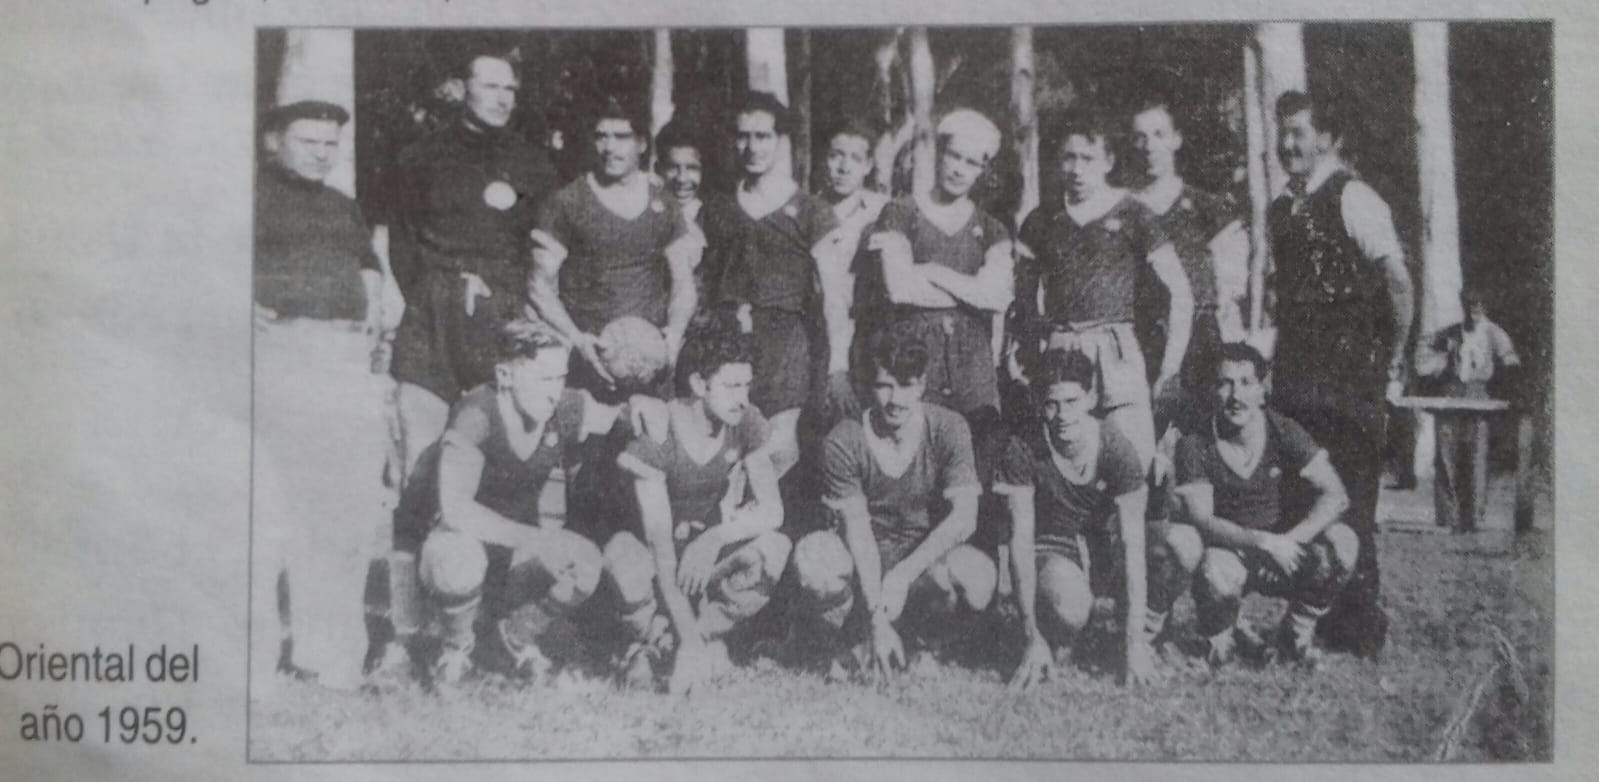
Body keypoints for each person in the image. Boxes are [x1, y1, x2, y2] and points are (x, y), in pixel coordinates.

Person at [1268, 90, 1414, 657]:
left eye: (1299, 133)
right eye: (1282, 132)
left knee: (1352, 502)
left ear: (1328, 139)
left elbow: (1398, 286)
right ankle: (1312, 617)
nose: (1287, 144)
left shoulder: (1355, 197)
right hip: (1296, 382)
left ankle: (1359, 628)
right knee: (1305, 499)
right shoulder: (1282, 207)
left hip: (1351, 383)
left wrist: (1391, 361)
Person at [252, 99, 390, 692]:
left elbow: (367, 263)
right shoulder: (249, 196)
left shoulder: (341, 205)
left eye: (331, 144)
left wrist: (374, 300)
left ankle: (330, 654)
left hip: (343, 358)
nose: (321, 153)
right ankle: (254, 658)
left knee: (344, 509)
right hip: (281, 353)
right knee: (270, 510)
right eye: (308, 141)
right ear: (274, 141)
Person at [389, 320, 607, 684]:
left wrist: (647, 407)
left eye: (560, 378)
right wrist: (538, 539)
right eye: (544, 378)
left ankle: (513, 638)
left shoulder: (564, 405)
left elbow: (619, 418)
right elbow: (456, 512)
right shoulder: (476, 414)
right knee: (457, 558)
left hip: (507, 547)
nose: (554, 392)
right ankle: (456, 648)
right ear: (505, 375)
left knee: (585, 562)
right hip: (444, 545)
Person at [388, 50, 561, 486]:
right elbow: (403, 245)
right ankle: (414, 526)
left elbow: (543, 249)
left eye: (509, 89)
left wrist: (510, 300)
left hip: (500, 315)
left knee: (493, 455)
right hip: (433, 315)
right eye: (490, 86)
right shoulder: (420, 157)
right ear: (462, 89)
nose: (502, 98)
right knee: (422, 454)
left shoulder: (533, 165)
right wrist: (434, 293)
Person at [990, 349, 1201, 688]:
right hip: (1054, 547)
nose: (1063, 415)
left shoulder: (1114, 445)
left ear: (1090, 398)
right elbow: (1020, 543)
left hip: (1106, 546)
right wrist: (1030, 635)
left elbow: (1132, 545)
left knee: (1183, 544)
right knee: (1070, 607)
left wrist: (1134, 642)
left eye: (1072, 402)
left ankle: (1140, 636)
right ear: (1039, 403)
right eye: (1052, 404)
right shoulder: (1022, 447)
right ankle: (1054, 637)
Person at [791, 332, 995, 679]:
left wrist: (904, 574)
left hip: (921, 560)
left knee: (977, 576)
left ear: (922, 385)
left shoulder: (948, 428)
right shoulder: (845, 439)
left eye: (907, 386)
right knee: (814, 560)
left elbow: (965, 518)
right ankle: (854, 635)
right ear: (870, 386)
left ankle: (922, 642)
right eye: (885, 386)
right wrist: (876, 616)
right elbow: (857, 531)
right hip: (866, 560)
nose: (896, 399)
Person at [613, 316, 790, 694]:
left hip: (695, 557)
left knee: (774, 548)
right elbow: (660, 550)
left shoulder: (745, 419)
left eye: (746, 385)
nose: (742, 397)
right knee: (624, 562)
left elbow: (772, 511)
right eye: (731, 386)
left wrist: (714, 538)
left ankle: (696, 637)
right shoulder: (659, 430)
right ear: (698, 384)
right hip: (652, 561)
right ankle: (656, 640)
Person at [1014, 108, 1193, 471]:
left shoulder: (1134, 214)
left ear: (1108, 161)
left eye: (1088, 158)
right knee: (1066, 461)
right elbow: (1022, 298)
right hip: (1062, 351)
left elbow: (1180, 293)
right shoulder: (1041, 220)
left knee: (1133, 460)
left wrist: (1170, 367)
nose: (1077, 169)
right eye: (1069, 157)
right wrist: (1028, 356)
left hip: (1117, 353)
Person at [1174, 343, 1358, 667]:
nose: (1236, 395)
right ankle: (1223, 638)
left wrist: (1291, 541)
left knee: (1343, 542)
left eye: (1246, 383)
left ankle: (1295, 636)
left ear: (1262, 389)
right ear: (1212, 390)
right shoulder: (1195, 442)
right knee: (1215, 571)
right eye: (1225, 383)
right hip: (1231, 551)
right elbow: (1201, 518)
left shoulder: (1283, 431)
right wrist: (1260, 542)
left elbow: (1336, 494)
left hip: (1286, 548)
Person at [528, 96, 701, 397]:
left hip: (650, 365)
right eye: (601, 136)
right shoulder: (567, 202)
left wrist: (674, 336)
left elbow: (684, 284)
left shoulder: (663, 203)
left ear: (642, 143)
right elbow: (538, 286)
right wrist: (576, 339)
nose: (609, 147)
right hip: (590, 361)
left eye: (621, 137)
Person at [714, 92, 850, 467]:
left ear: (781, 140)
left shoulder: (811, 210)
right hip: (728, 337)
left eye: (763, 136)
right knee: (727, 444)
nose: (752, 147)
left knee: (779, 444)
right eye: (744, 136)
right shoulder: (719, 207)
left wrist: (837, 359)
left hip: (785, 340)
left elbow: (834, 294)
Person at [860, 109, 1016, 426]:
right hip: (913, 358)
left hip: (972, 366)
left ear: (983, 170)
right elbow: (900, 288)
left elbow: (997, 297)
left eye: (971, 163)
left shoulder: (991, 228)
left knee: (978, 446)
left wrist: (931, 271)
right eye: (954, 156)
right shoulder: (901, 212)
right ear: (940, 154)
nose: (959, 169)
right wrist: (972, 291)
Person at [1128, 94, 1249, 436]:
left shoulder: (1207, 208)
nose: (1149, 147)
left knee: (1204, 439)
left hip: (1200, 346)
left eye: (1159, 135)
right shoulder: (1123, 210)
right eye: (1140, 137)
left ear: (1176, 140)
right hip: (1141, 341)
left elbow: (1229, 292)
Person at [1417, 289, 1522, 530]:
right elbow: (1424, 355)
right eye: (1469, 305)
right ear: (1462, 305)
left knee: (1476, 460)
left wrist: (1508, 386)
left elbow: (1511, 362)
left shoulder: (1494, 333)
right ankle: (1447, 518)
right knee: (1446, 458)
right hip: (1451, 397)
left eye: (1478, 305)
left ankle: (1474, 518)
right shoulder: (1451, 332)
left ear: (1485, 307)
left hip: (1478, 397)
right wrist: (1436, 364)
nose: (1473, 310)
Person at [818, 118, 891, 422]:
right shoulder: (809, 211)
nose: (844, 167)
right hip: (818, 334)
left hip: (868, 337)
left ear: (868, 165)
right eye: (836, 156)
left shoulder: (885, 211)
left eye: (855, 158)